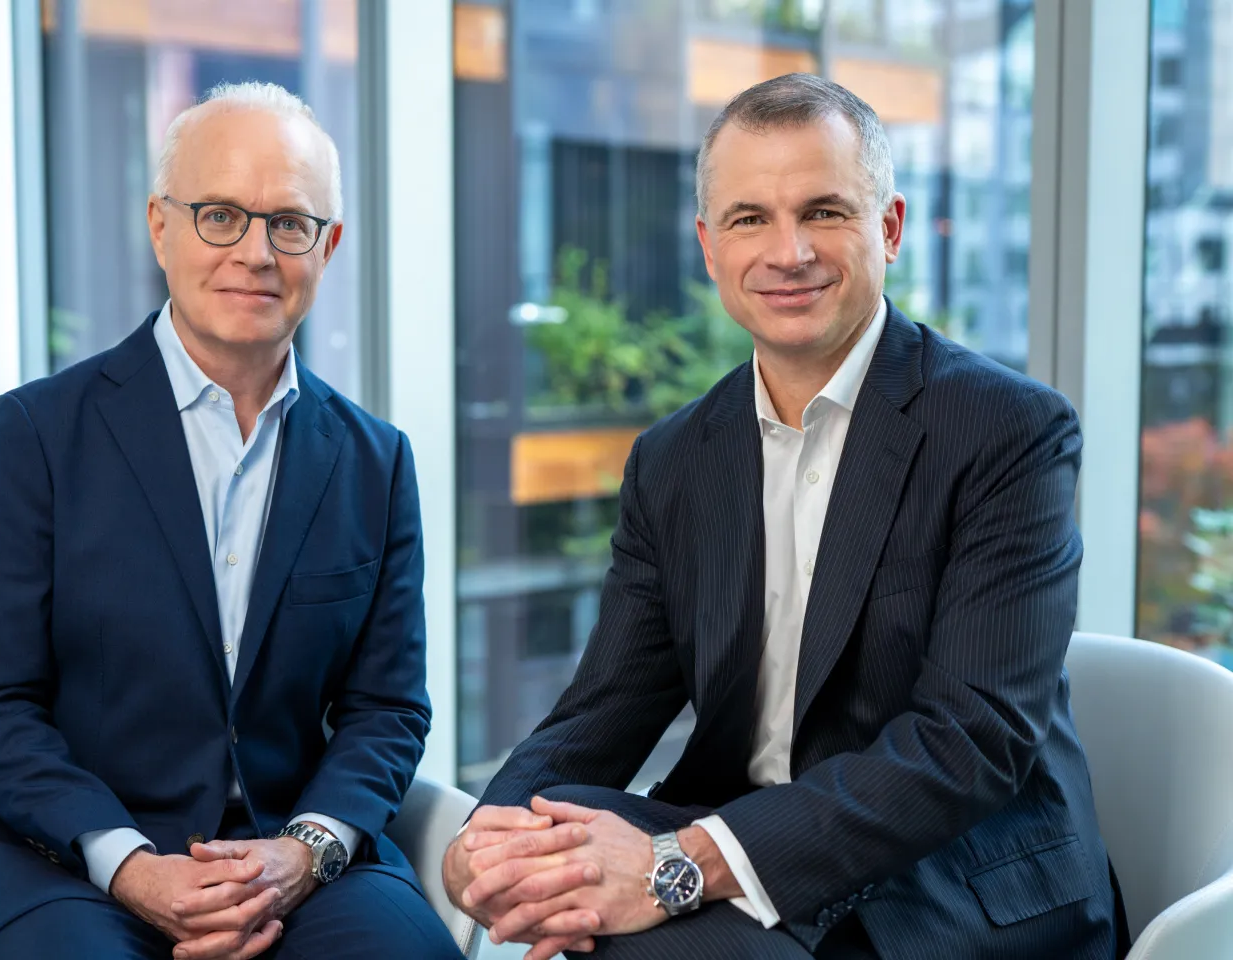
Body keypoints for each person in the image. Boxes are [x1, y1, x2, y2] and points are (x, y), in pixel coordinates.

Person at [443, 73, 1126, 960]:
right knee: (552, 847)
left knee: (608, 936)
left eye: (825, 211)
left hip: (949, 879)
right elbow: (602, 712)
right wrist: (483, 844)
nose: (788, 251)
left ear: (889, 227)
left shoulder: (1008, 432)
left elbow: (970, 743)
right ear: (708, 246)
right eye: (748, 218)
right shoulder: (675, 460)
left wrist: (676, 866)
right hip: (742, 839)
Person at [0, 82, 463, 960]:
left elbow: (387, 709)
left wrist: (308, 851)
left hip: (291, 858)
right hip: (68, 860)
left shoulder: (377, 460)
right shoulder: (34, 434)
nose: (255, 252)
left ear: (327, 247)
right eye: (220, 214)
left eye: (289, 224)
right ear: (161, 227)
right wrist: (132, 865)